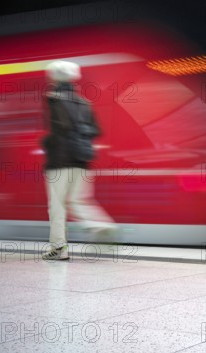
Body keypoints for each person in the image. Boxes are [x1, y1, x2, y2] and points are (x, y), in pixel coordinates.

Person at [41, 60, 117, 261]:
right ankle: (101, 225)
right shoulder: (84, 102)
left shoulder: (53, 98)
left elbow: (58, 128)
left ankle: (59, 249)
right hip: (82, 160)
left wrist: (46, 143)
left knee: (57, 206)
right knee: (78, 200)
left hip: (59, 162)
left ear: (54, 77)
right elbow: (96, 130)